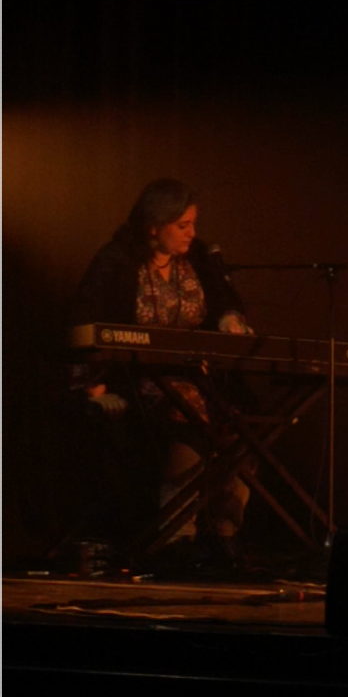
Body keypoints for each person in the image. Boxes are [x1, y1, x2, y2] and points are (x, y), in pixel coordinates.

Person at [66, 178, 256, 571]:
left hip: (199, 379)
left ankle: (223, 532)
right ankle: (176, 537)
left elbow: (226, 302)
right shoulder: (116, 261)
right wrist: (92, 382)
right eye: (183, 225)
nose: (193, 233)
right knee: (192, 422)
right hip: (138, 382)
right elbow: (85, 322)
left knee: (244, 431)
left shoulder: (199, 258)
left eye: (193, 224)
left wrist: (230, 319)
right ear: (154, 225)